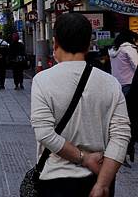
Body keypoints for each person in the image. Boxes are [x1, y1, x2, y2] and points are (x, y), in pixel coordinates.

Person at [31, 12, 131, 197]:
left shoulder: (42, 81)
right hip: (99, 178)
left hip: (56, 181)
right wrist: (102, 184)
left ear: (55, 43)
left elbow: (44, 133)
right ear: (88, 45)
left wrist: (83, 158)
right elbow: (121, 135)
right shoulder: (110, 83)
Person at [109, 30, 138, 98]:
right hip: (129, 82)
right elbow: (136, 65)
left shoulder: (113, 49)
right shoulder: (129, 48)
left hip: (116, 81)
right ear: (131, 38)